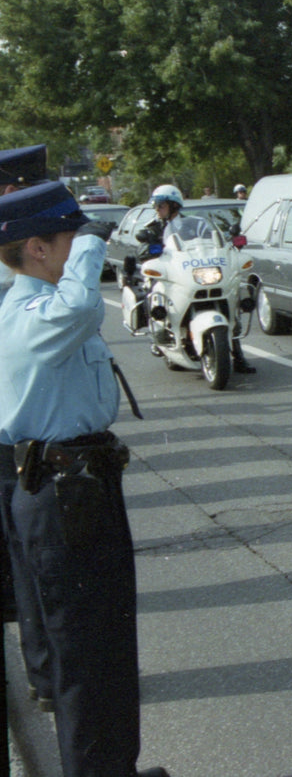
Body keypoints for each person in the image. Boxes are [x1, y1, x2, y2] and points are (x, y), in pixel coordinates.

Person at [0, 181, 170, 777]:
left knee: (107, 644)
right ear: (39, 249)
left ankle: (111, 768)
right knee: (87, 652)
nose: (81, 246)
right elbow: (78, 307)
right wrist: (99, 245)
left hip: (82, 485)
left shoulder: (36, 305)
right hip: (63, 491)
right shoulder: (33, 314)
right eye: (71, 236)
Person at [135, 185, 256, 374]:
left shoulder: (196, 223)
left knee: (232, 301)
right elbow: (141, 251)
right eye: (156, 206)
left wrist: (226, 245)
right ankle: (158, 333)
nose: (158, 210)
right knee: (153, 290)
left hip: (197, 271)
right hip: (171, 273)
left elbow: (212, 240)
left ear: (174, 205)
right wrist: (148, 248)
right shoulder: (153, 227)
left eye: (161, 205)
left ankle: (238, 357)